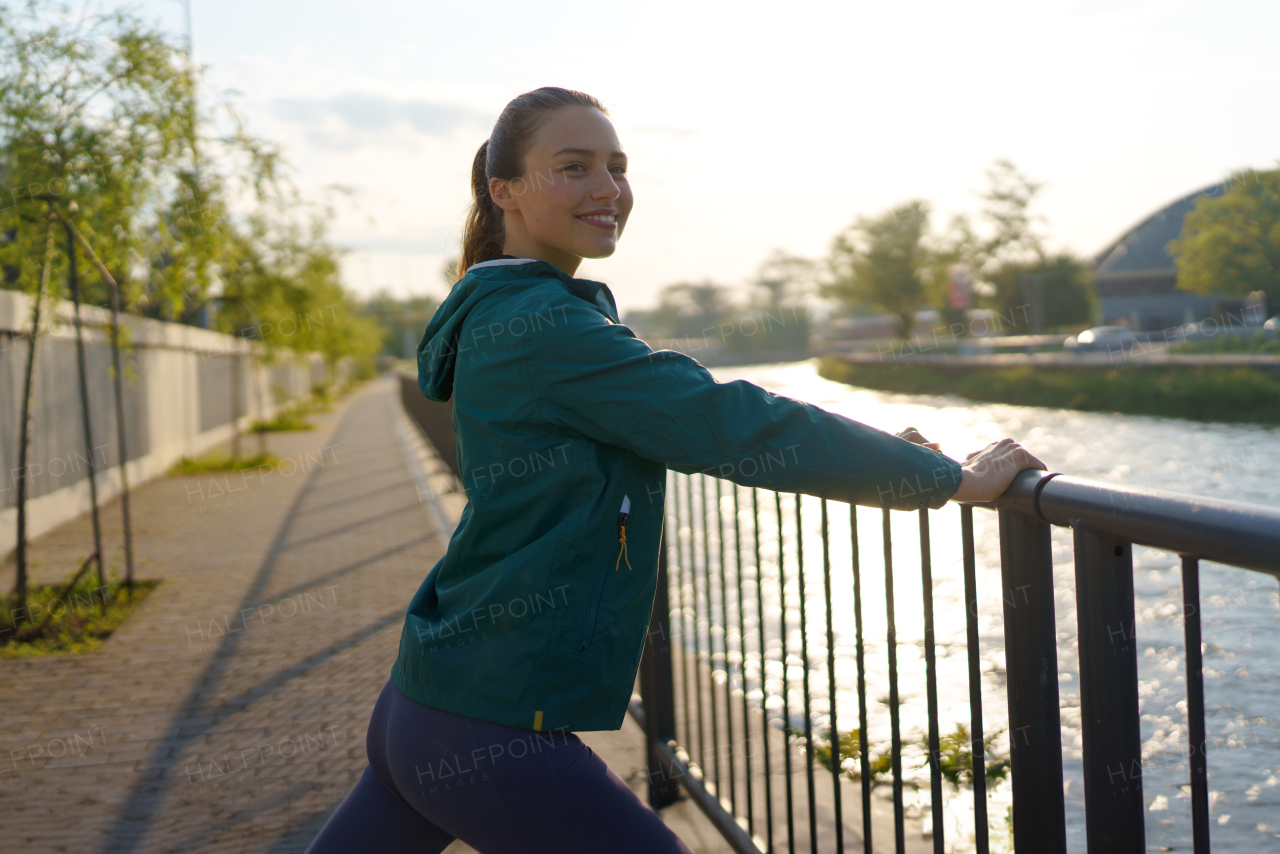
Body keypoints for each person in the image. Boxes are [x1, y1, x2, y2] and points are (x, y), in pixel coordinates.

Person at [305, 87, 1044, 854]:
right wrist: (945, 479)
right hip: (485, 721)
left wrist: (899, 457)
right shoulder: (547, 327)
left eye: (616, 167)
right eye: (572, 166)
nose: (607, 188)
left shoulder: (513, 311)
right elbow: (728, 422)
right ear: (505, 191)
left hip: (425, 702)